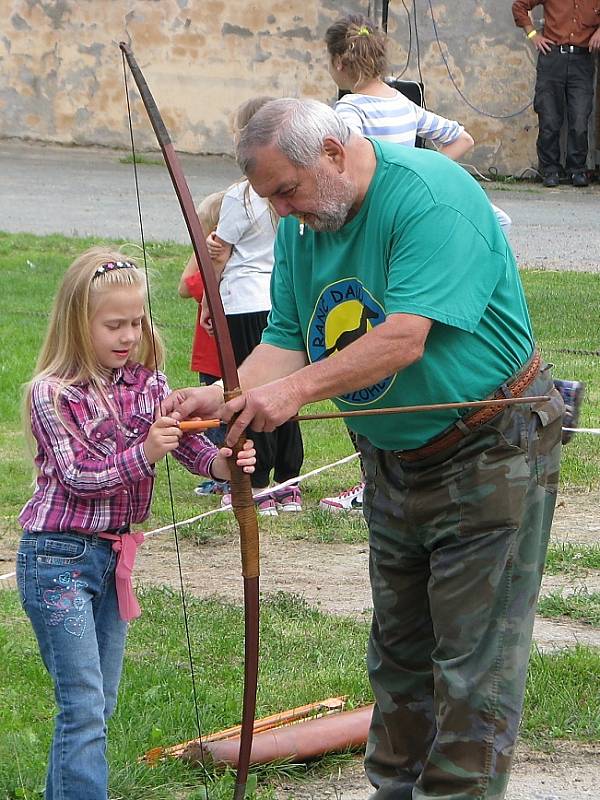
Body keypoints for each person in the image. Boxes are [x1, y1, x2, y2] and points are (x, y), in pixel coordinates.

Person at [164, 98, 564, 800]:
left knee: (474, 666)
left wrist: (294, 396)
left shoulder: (432, 196)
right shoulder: (302, 227)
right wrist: (227, 396)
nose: (282, 213)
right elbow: (286, 343)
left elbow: (404, 337)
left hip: (489, 450)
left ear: (334, 153)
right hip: (393, 466)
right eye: (269, 199)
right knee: (398, 656)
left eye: (286, 191)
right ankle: (394, 790)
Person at [16, 246, 255, 800]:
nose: (128, 335)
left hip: (112, 559)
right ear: (79, 323)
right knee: (82, 707)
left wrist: (224, 464)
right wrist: (144, 453)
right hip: (56, 562)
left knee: (99, 704)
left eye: (137, 322)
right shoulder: (52, 394)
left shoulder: (148, 385)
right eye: (114, 324)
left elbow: (188, 444)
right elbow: (78, 475)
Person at [320, 12, 511, 512]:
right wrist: (432, 170)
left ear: (340, 62)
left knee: (385, 321)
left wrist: (408, 179)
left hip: (385, 222)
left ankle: (379, 458)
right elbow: (460, 135)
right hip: (411, 220)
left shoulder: (350, 113)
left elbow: (353, 160)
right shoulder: (403, 102)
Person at [202, 96, 304, 516]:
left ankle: (257, 482)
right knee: (282, 392)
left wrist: (212, 296)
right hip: (279, 301)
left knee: (247, 394)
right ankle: (288, 481)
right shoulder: (289, 194)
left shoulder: (241, 196)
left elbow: (220, 251)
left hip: (244, 303)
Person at [512, 0, 600, 187]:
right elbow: (520, 6)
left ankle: (577, 170)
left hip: (583, 59)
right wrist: (534, 35)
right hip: (553, 57)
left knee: (580, 118)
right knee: (549, 118)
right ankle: (550, 170)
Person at [179, 190, 229, 494]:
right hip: (212, 356)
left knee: (218, 421)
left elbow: (185, 286)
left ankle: (223, 476)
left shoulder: (219, 273)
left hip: (217, 360)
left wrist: (202, 254)